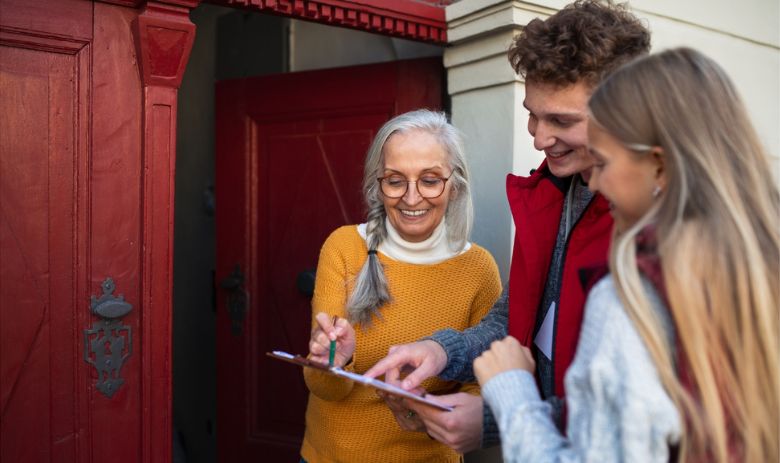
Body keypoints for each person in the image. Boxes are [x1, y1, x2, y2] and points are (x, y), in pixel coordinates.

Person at [365, 0, 649, 452]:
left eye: (561, 120)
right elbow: (517, 320)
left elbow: (633, 418)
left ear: (623, 112)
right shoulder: (552, 191)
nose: (538, 137)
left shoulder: (651, 225)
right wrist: (442, 352)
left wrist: (496, 418)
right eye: (532, 113)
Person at [474, 47, 780, 462]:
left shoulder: (629, 295)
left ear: (659, 167)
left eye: (602, 162)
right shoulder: (756, 266)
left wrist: (511, 392)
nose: (594, 183)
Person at [300, 109, 502, 463]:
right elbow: (323, 387)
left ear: (454, 185)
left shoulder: (479, 268)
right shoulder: (343, 247)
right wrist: (334, 362)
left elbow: (482, 383)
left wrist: (429, 413)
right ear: (378, 186)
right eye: (395, 181)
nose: (411, 198)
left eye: (429, 180)